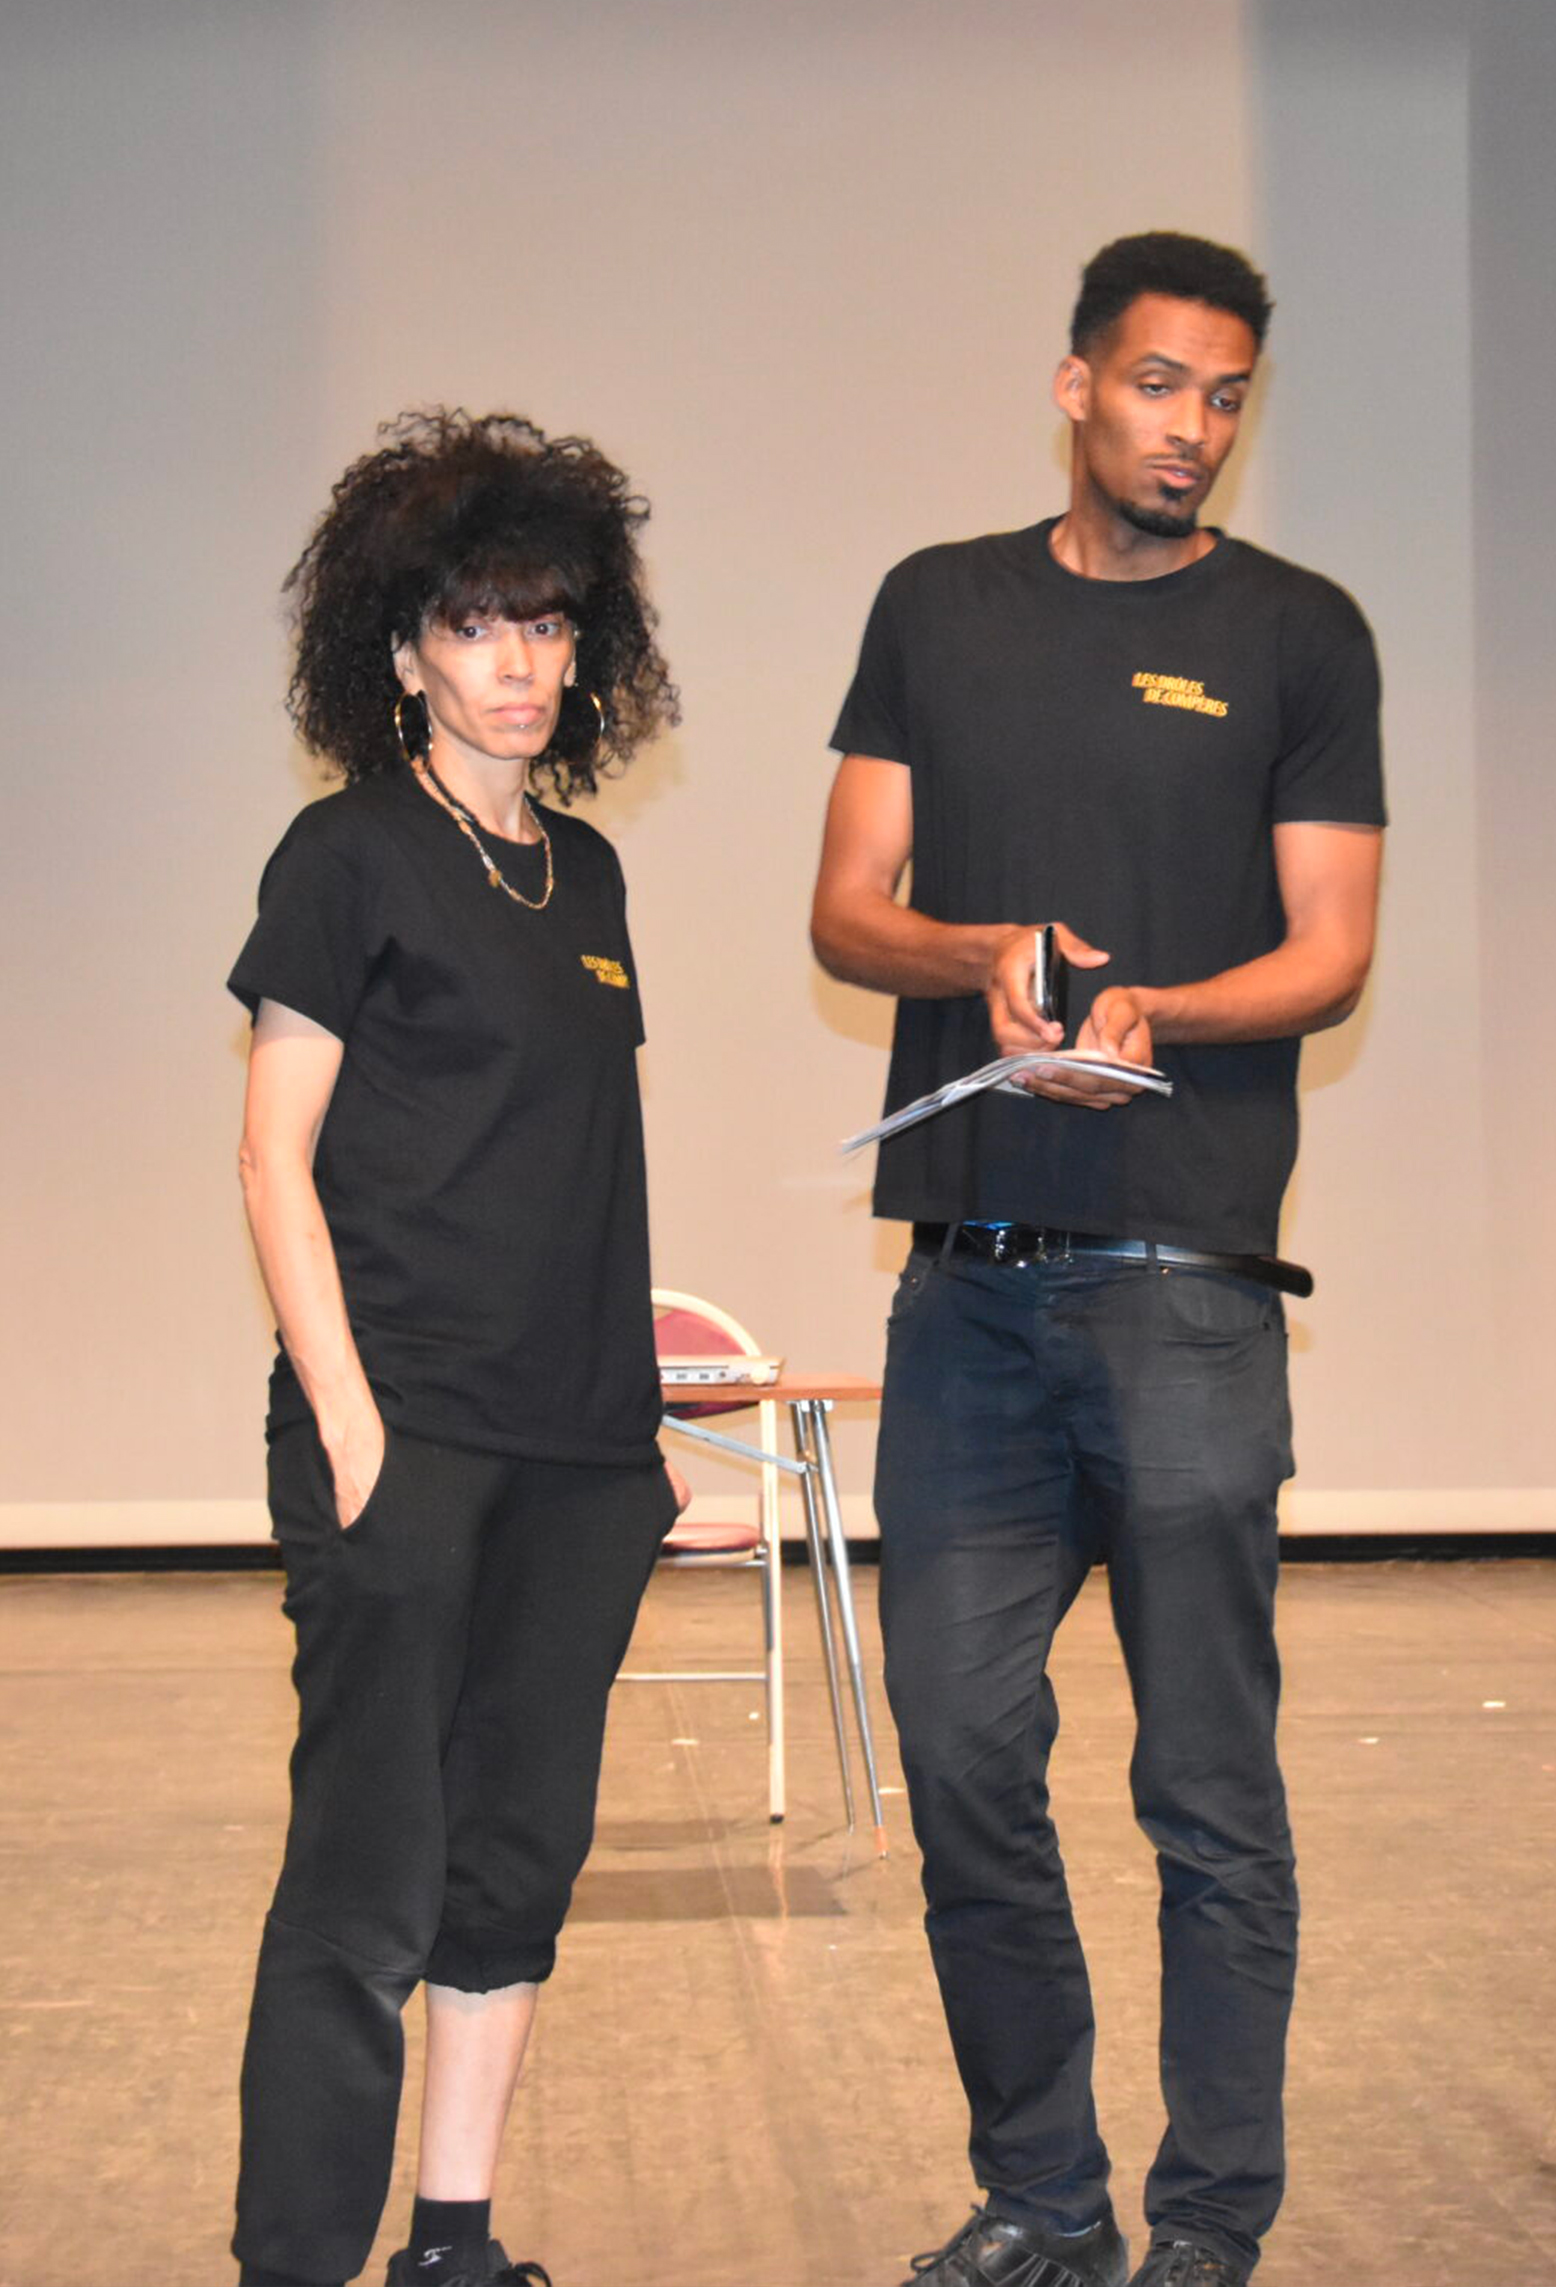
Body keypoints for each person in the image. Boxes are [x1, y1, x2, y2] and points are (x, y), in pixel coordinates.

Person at [811, 234, 1384, 2287]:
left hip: (1186, 1292)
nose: (1190, 428)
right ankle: (1045, 2199)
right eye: (1157, 384)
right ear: (1075, 386)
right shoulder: (935, 607)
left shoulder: (1299, 634)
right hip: (964, 1295)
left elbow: (1330, 950)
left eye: (1224, 396)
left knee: (1207, 1791)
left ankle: (1207, 2227)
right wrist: (976, 954)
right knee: (964, 1759)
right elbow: (845, 905)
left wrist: (1159, 1011)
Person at [227, 409, 683, 2287]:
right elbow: (272, 1156)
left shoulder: (588, 877)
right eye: (476, 624)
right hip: (403, 1433)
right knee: (366, 1875)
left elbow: (572, 1170)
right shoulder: (346, 856)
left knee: (514, 1866)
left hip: (579, 1461)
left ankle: (455, 2244)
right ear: (402, 649)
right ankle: (296, 2263)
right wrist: (351, 1427)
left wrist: (634, 1447)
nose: (517, 662)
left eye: (547, 623)